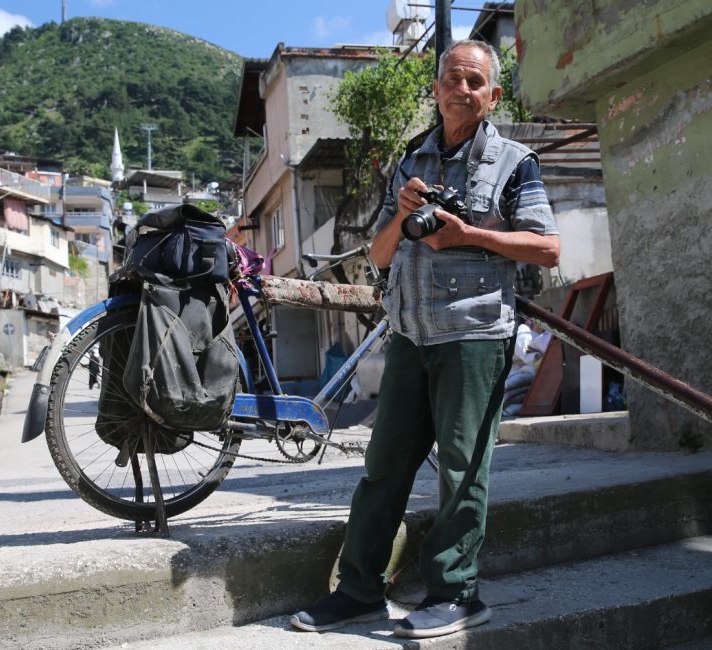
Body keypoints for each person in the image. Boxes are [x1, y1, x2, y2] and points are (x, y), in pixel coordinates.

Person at [291, 39, 560, 639]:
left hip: (474, 335)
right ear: (436, 89)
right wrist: (401, 213)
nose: (461, 90)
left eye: (474, 83)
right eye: (451, 80)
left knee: (463, 470)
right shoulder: (411, 160)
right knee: (383, 466)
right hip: (411, 334)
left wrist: (470, 234)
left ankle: (457, 594)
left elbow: (547, 246)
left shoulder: (516, 163)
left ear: (492, 96)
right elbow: (381, 256)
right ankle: (359, 590)